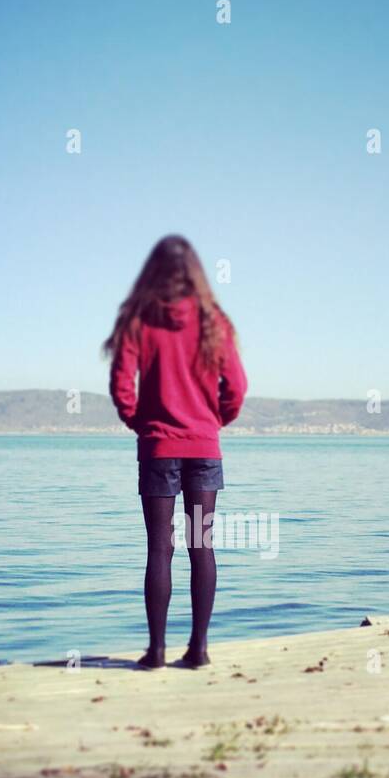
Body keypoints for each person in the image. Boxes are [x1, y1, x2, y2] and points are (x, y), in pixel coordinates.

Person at [105, 235, 247, 669]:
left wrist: (142, 424)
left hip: (158, 450)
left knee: (158, 549)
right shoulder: (212, 320)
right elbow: (237, 387)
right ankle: (199, 650)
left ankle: (157, 652)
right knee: (201, 546)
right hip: (204, 449)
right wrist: (212, 423)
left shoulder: (139, 320)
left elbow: (120, 385)